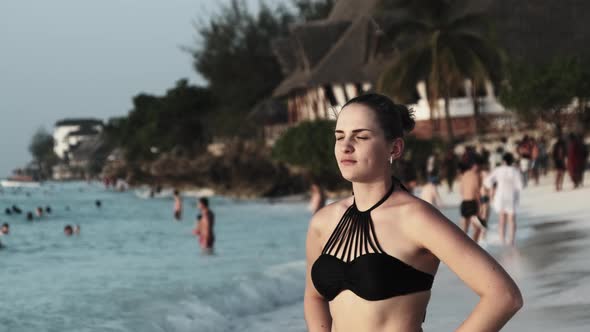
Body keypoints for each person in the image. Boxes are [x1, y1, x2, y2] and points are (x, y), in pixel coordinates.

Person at [305, 93, 522, 332]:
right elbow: (314, 298)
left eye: (362, 136)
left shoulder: (416, 218)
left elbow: (503, 296)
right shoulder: (322, 223)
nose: (346, 146)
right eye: (339, 137)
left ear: (395, 148)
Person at [484, 153, 523, 246]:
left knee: (502, 219)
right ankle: (511, 240)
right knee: (512, 219)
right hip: (511, 196)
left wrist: (492, 188)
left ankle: (502, 240)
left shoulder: (498, 170)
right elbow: (520, 186)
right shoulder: (515, 171)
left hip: (500, 196)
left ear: (503, 161)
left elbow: (487, 182)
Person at [459, 160, 486, 243]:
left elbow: (461, 190)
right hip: (472, 203)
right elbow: (477, 191)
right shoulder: (477, 175)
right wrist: (480, 206)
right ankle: (474, 246)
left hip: (464, 203)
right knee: (478, 228)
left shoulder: (463, 175)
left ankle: (462, 247)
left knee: (464, 229)